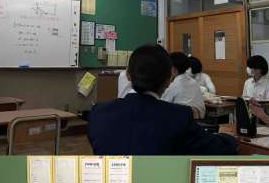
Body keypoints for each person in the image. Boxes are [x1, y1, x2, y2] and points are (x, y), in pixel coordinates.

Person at [88, 44, 238, 156]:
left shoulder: (98, 113)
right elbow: (217, 148)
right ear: (169, 79)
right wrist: (230, 138)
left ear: (128, 75)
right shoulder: (178, 117)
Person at [162, 52, 206, 118]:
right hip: (199, 118)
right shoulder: (194, 82)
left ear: (173, 69)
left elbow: (163, 103)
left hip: (180, 119)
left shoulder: (174, 84)